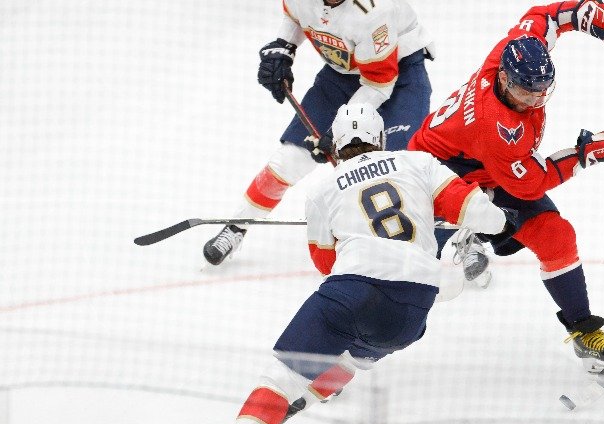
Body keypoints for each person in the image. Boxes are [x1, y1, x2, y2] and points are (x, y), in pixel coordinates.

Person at [191, 103, 513, 424]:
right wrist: (495, 221)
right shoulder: (417, 163)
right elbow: (484, 216)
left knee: (285, 371)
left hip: (352, 290)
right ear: (380, 138)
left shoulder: (324, 189)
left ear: (337, 145)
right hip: (412, 311)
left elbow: (325, 262)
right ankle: (304, 399)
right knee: (355, 357)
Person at [407, 0, 604, 373]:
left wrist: (589, 15)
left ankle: (582, 331)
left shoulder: (515, 50)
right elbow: (530, 183)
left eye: (543, 90)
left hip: (487, 168)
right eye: (527, 93)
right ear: (505, 80)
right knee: (411, 274)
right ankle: (343, 350)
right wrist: (587, 153)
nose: (536, 99)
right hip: (436, 174)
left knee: (556, 237)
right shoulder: (498, 127)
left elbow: (546, 16)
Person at [203, 0, 490, 278]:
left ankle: (464, 232)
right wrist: (284, 47)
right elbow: (295, 16)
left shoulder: (374, 10)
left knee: (404, 170)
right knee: (289, 161)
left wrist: (337, 133)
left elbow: (379, 83)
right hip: (341, 77)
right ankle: (238, 225)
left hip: (398, 78)